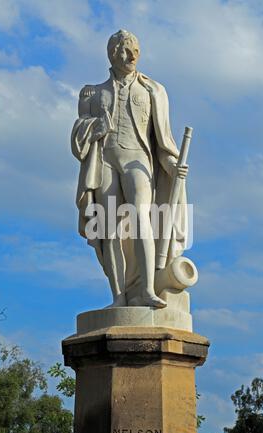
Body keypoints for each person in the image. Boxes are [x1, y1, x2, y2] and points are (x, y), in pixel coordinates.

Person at [71, 30, 188, 308]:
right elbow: (77, 138)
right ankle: (118, 297)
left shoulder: (153, 90)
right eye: (125, 50)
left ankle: (147, 289)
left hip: (138, 159)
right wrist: (95, 127)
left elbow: (162, 139)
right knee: (108, 228)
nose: (132, 55)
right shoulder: (93, 92)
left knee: (141, 219)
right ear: (112, 53)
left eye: (136, 50)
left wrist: (172, 165)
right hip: (106, 161)